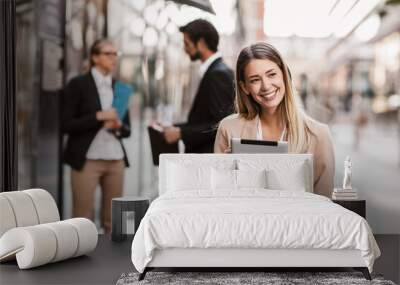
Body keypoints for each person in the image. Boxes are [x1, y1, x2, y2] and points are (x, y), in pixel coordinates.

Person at [214, 42, 335, 198]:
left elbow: (324, 202)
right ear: (245, 87)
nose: (266, 86)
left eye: (272, 74)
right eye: (255, 80)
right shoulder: (229, 129)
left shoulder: (318, 135)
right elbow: (221, 196)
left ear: (284, 75)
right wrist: (230, 172)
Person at [61, 39, 131, 233]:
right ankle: (80, 259)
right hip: (87, 160)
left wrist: (118, 125)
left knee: (114, 221)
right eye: (109, 53)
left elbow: (128, 130)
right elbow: (65, 124)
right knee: (82, 219)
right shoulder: (78, 84)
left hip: (115, 160)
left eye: (116, 54)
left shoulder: (121, 88)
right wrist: (98, 116)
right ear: (95, 57)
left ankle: (111, 262)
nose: (114, 58)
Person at [162, 19, 235, 153]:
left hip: (208, 160)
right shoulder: (215, 71)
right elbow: (204, 119)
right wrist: (177, 128)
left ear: (201, 44)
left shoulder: (218, 74)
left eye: (187, 43)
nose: (185, 49)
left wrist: (181, 133)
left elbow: (221, 124)